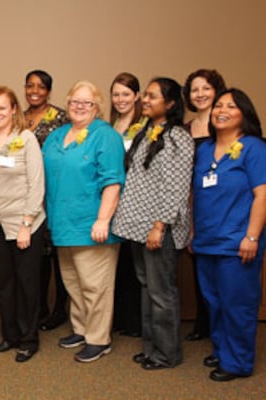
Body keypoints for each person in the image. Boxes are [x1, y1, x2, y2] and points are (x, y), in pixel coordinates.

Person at [112, 77, 194, 370]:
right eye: (144, 96)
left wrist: (159, 226)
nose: (144, 100)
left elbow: (176, 187)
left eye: (151, 96)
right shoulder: (147, 131)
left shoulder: (177, 138)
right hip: (137, 225)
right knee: (147, 288)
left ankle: (167, 353)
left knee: (161, 292)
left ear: (170, 104)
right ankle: (151, 348)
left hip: (158, 228)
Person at [43, 81, 125, 362]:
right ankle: (80, 328)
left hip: (92, 225)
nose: (79, 106)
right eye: (74, 101)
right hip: (61, 224)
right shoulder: (58, 135)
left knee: (95, 286)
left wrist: (103, 219)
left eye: (87, 103)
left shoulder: (106, 136)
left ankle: (99, 338)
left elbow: (113, 182)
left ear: (97, 107)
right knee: (73, 283)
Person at [191, 88, 266, 381]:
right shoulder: (205, 149)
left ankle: (238, 363)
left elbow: (262, 196)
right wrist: (194, 233)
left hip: (238, 244)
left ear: (244, 114)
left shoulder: (254, 148)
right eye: (218, 105)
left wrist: (251, 237)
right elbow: (196, 195)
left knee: (238, 305)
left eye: (231, 106)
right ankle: (224, 351)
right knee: (215, 303)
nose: (221, 110)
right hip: (206, 242)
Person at [0, 86, 46, 362]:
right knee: (4, 283)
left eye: (2, 107)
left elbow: (36, 184)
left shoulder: (25, 138)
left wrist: (27, 222)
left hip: (24, 221)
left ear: (13, 109)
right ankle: (10, 334)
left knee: (27, 282)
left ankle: (29, 338)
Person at [23, 69, 69, 331]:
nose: (35, 91)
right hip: (27, 195)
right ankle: (38, 307)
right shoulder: (20, 117)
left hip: (53, 193)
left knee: (56, 254)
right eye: (30, 86)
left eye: (41, 87)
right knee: (36, 256)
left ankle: (59, 308)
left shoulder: (60, 118)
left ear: (49, 91)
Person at [182, 69, 226, 342]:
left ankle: (222, 326)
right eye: (195, 90)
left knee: (223, 271)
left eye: (206, 88)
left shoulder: (226, 124)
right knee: (199, 266)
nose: (200, 94)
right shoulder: (185, 129)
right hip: (193, 203)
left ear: (216, 90)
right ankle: (203, 321)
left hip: (222, 204)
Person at [108, 72, 143, 338]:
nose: (120, 99)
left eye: (126, 94)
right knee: (117, 263)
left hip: (135, 201)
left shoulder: (143, 125)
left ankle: (136, 321)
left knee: (134, 262)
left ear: (137, 97)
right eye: (117, 94)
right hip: (114, 200)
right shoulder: (110, 125)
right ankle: (120, 317)